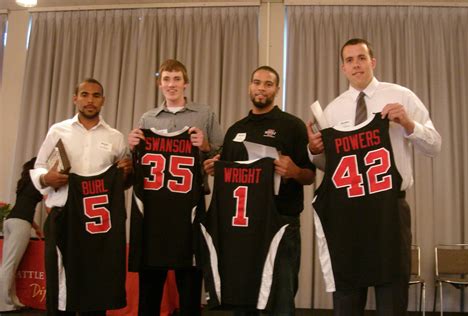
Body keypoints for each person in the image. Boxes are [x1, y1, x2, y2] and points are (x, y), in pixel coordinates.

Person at [307, 38, 441, 316]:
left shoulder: (400, 96)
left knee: (391, 296)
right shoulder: (332, 111)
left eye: (361, 58)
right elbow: (330, 167)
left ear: (373, 61)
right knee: (347, 297)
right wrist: (314, 151)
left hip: (388, 210)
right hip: (347, 211)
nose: (356, 64)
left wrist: (408, 123)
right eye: (349, 60)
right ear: (342, 67)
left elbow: (434, 145)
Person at [203, 65, 315, 316]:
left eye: (268, 83)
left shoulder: (292, 126)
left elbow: (309, 176)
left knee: (281, 299)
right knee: (244, 297)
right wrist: (215, 168)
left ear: (277, 89)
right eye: (256, 82)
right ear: (249, 86)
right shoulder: (235, 131)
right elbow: (228, 174)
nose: (261, 88)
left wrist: (294, 171)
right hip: (242, 228)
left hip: (281, 225)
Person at [127, 59, 224, 316]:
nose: (171, 84)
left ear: (185, 83)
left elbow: (224, 152)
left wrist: (204, 146)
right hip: (154, 207)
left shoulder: (204, 114)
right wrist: (132, 144)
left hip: (190, 205)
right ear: (160, 84)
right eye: (167, 79)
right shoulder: (147, 118)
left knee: (190, 279)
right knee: (151, 282)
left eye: (176, 79)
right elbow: (136, 162)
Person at [30, 78, 132, 316]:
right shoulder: (58, 130)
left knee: (95, 285)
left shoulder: (115, 137)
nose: (90, 100)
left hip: (97, 222)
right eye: (85, 94)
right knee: (59, 282)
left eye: (96, 95)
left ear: (103, 101)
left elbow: (121, 184)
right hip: (62, 214)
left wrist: (127, 173)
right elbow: (38, 167)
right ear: (75, 98)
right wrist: (47, 179)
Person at [0, 157, 43, 312]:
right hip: (20, 223)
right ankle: (4, 303)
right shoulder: (39, 181)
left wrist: (36, 227)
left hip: (10, 221)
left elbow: (24, 207)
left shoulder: (24, 182)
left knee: (7, 263)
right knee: (10, 264)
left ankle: (11, 300)